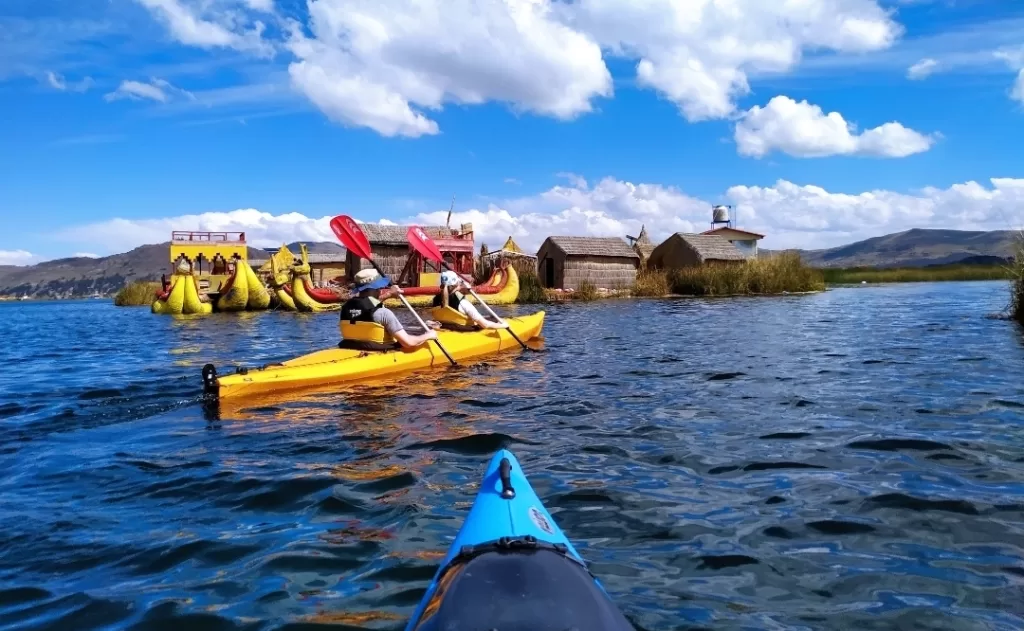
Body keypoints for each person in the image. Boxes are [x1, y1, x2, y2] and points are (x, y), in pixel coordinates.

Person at [339, 269, 438, 351]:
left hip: (350, 347)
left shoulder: (345, 308)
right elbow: (408, 343)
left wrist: (389, 294)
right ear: (377, 287)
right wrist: (428, 335)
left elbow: (368, 306)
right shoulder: (383, 313)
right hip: (380, 351)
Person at [430, 270, 509, 331]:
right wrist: (503, 326)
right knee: (488, 320)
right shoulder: (462, 302)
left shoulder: (435, 299)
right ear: (457, 283)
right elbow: (485, 325)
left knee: (489, 317)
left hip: (446, 327)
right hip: (462, 330)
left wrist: (464, 289)